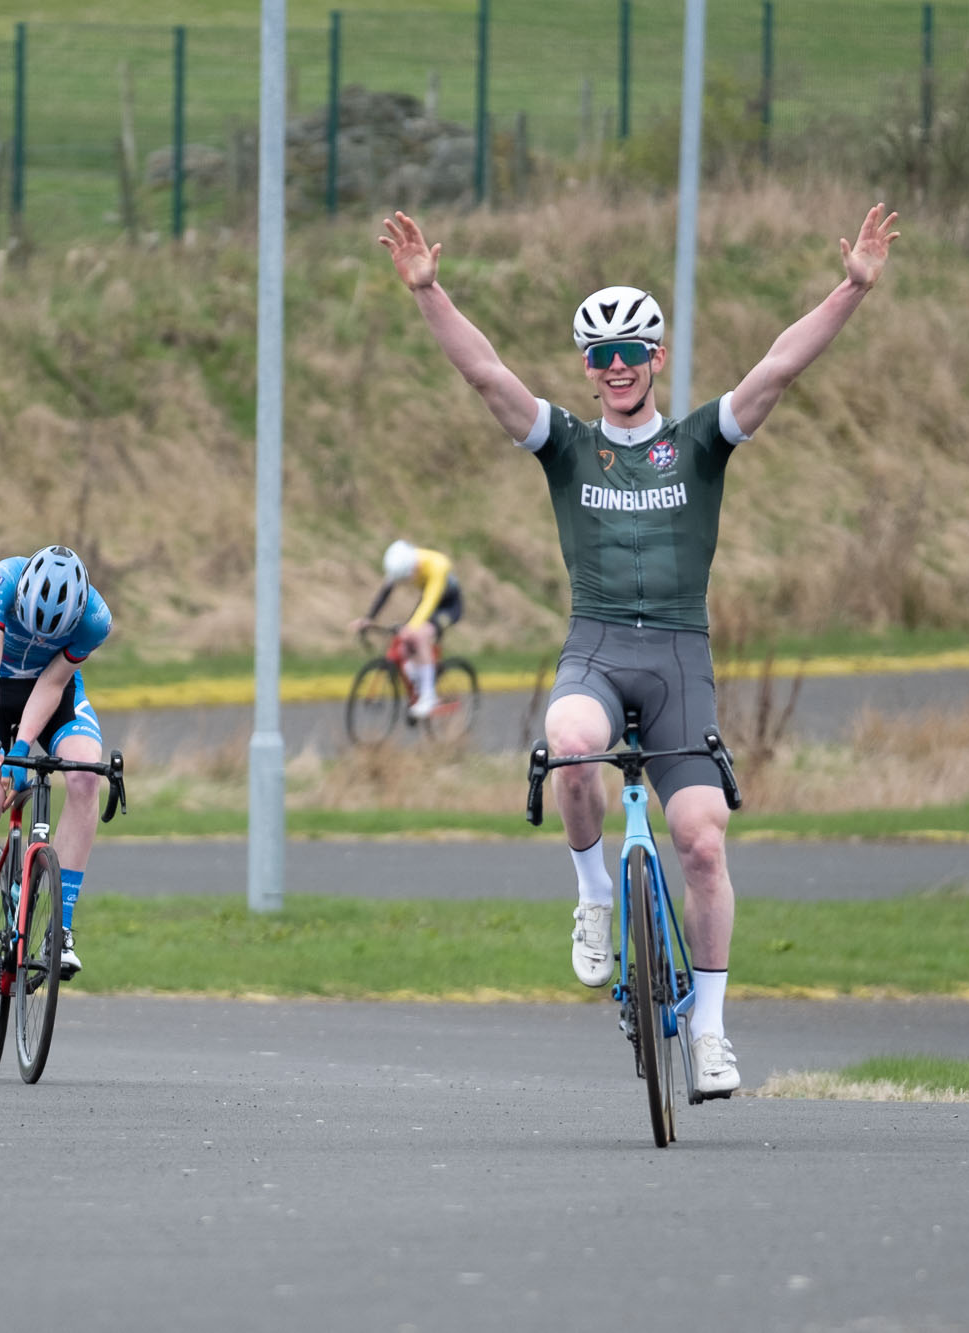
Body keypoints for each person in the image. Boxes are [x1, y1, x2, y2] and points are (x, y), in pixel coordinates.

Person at [379, 202, 900, 1097]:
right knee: (571, 744)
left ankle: (709, 1029)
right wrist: (431, 294)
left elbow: (779, 367)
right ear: (587, 368)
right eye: (600, 355)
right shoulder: (567, 446)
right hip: (596, 647)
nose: (616, 368)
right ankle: (593, 896)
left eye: (632, 352)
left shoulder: (698, 442)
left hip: (678, 664)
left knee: (702, 841)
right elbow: (485, 375)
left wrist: (850, 288)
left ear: (657, 358)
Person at [0, 545, 112, 1010]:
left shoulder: (95, 620)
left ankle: (61, 929)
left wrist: (21, 749)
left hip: (49, 695)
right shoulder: (2, 580)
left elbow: (54, 683)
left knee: (84, 777)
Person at [348, 539, 464, 720]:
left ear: (412, 569)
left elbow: (430, 601)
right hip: (428, 602)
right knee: (405, 645)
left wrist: (412, 628)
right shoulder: (402, 564)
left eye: (405, 578)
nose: (404, 582)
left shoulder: (436, 565)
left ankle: (429, 697)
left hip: (448, 606)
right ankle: (420, 678)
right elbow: (385, 592)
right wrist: (369, 619)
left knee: (420, 634)